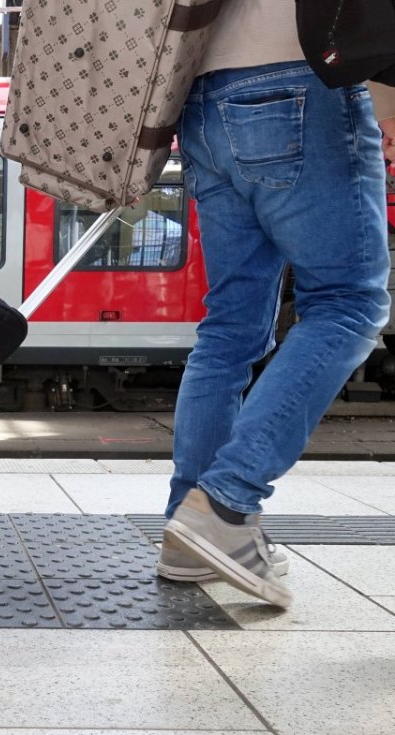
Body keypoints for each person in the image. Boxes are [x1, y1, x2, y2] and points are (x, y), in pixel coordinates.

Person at [157, 2, 395, 607]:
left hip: (199, 96)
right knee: (350, 303)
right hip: (299, 79)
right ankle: (226, 502)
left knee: (229, 324)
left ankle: (187, 534)